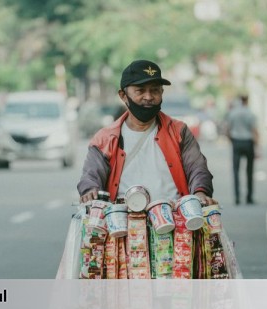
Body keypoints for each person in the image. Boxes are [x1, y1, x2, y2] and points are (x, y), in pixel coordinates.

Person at [77, 59, 216, 207]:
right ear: (123, 95)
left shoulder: (179, 131)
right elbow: (91, 175)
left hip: (176, 219)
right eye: (140, 90)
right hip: (123, 222)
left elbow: (197, 169)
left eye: (155, 90)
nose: (149, 97)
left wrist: (200, 192)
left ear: (162, 92)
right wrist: (90, 190)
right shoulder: (104, 139)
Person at [225, 95, 259, 205]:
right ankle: (249, 197)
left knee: (236, 171)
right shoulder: (250, 113)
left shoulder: (232, 113)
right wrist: (257, 146)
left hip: (236, 142)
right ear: (247, 100)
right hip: (248, 142)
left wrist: (232, 140)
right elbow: (254, 130)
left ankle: (237, 197)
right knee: (249, 171)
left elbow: (228, 129)